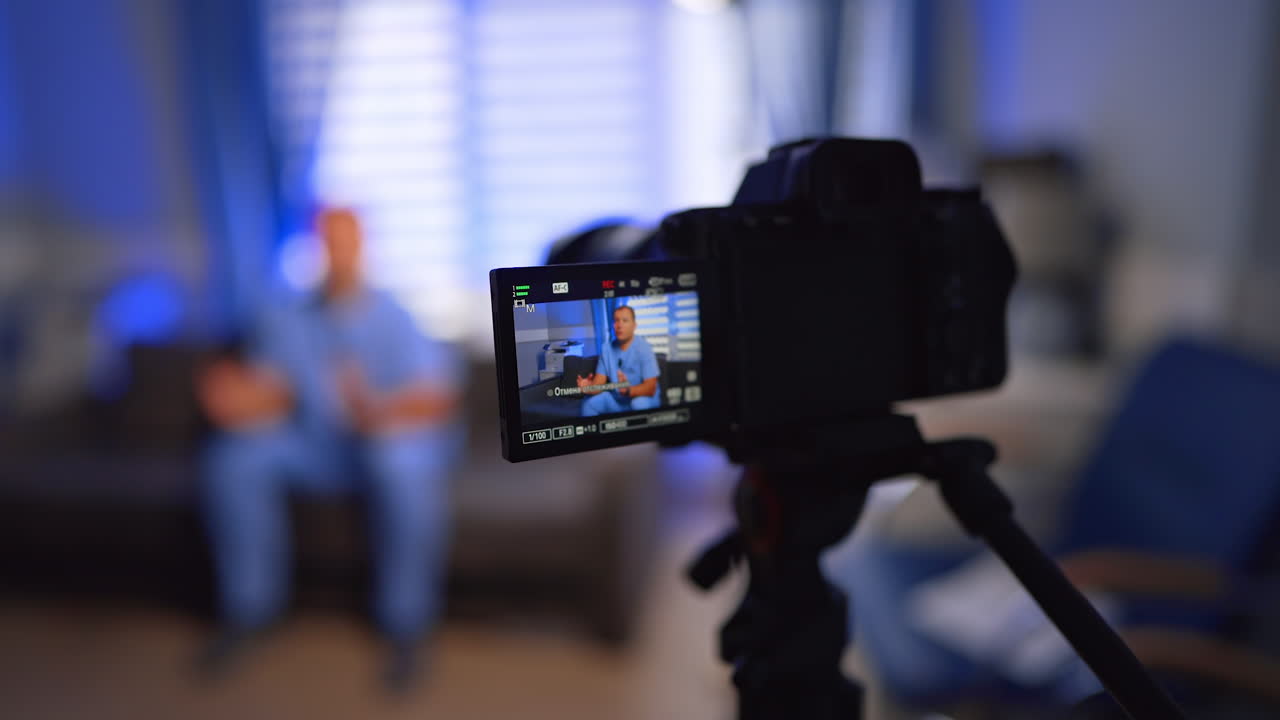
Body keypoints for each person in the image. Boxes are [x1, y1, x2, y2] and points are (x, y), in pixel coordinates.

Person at [196, 208, 461, 691]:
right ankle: (248, 609)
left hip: (381, 445)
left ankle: (405, 625)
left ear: (362, 247)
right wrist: (230, 395)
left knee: (400, 465)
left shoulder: (395, 317)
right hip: (314, 447)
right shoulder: (288, 316)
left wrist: (376, 410)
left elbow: (436, 398)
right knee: (234, 459)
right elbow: (272, 392)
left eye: (345, 242)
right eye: (326, 243)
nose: (336, 254)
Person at [577, 304, 660, 416]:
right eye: (616, 321)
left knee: (638, 403)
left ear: (634, 325)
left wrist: (628, 390)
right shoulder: (606, 349)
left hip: (642, 399)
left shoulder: (644, 347)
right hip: (617, 401)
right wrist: (588, 388)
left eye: (625, 320)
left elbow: (650, 388)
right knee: (589, 404)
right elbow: (599, 384)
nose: (619, 325)